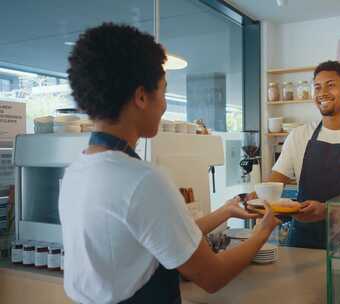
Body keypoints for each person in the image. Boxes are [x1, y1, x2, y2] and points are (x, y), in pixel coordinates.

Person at [59, 23, 280, 304]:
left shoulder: (77, 171)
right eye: (163, 91)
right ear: (141, 97)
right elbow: (212, 276)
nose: (164, 105)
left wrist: (224, 212)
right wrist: (263, 232)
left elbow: (158, 239)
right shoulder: (141, 179)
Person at [269, 61, 340, 249]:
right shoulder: (299, 135)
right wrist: (253, 199)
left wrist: (327, 210)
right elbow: (273, 185)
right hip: (302, 241)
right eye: (317, 87)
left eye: (331, 85)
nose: (322, 93)